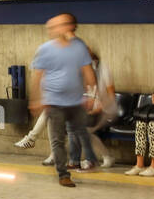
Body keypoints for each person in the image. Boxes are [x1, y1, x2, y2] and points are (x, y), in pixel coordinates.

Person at [29, 14, 96, 188]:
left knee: (80, 132)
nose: (51, 30)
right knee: (58, 140)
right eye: (50, 27)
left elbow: (89, 72)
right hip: (54, 102)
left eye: (55, 26)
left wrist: (91, 96)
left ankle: (85, 160)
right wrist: (36, 99)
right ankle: (63, 174)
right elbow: (37, 76)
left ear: (67, 27)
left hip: (76, 102)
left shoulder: (79, 48)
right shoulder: (45, 49)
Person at [70, 49, 117, 171]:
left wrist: (99, 107)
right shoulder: (85, 72)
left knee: (86, 131)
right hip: (94, 111)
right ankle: (75, 159)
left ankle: (105, 157)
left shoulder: (103, 70)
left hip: (108, 110)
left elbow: (111, 96)